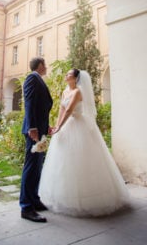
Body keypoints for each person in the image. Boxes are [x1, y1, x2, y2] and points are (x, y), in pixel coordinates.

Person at [39, 68, 130, 217]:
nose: (66, 75)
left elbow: (69, 111)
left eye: (69, 74)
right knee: (64, 162)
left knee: (81, 160)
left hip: (78, 125)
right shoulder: (66, 91)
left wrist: (60, 126)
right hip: (66, 126)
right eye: (67, 73)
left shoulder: (78, 92)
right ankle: (64, 196)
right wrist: (57, 126)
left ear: (75, 78)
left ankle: (86, 199)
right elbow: (62, 110)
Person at [19, 57, 53, 223]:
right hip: (33, 131)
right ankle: (26, 207)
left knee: (37, 166)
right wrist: (32, 127)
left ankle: (34, 199)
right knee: (31, 167)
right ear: (40, 66)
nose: (46, 67)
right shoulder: (32, 78)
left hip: (40, 130)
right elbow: (30, 103)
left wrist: (45, 126)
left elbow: (41, 107)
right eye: (44, 65)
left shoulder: (38, 79)